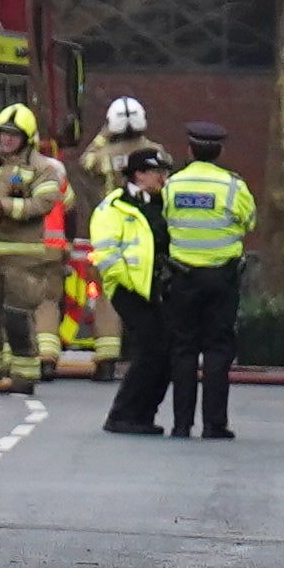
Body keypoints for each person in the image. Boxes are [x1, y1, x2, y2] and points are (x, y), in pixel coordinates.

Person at [155, 123, 257, 439]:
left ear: (189, 150)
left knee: (183, 350)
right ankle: (215, 424)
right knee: (217, 349)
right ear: (220, 151)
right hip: (221, 280)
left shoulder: (172, 186)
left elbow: (165, 220)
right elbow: (250, 221)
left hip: (182, 279)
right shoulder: (233, 187)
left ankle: (181, 424)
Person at [0, 105, 66, 379]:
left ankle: (24, 375)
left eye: (14, 135)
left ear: (27, 138)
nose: (7, 140)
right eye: (3, 134)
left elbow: (44, 203)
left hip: (23, 257)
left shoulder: (42, 168)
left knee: (17, 318)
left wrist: (5, 207)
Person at [98, 144, 170, 433]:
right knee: (149, 350)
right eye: (157, 172)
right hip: (130, 291)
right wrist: (129, 283)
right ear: (139, 175)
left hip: (159, 289)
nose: (162, 178)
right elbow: (107, 253)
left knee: (164, 353)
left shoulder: (164, 203)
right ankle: (122, 415)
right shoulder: (115, 207)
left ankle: (144, 414)